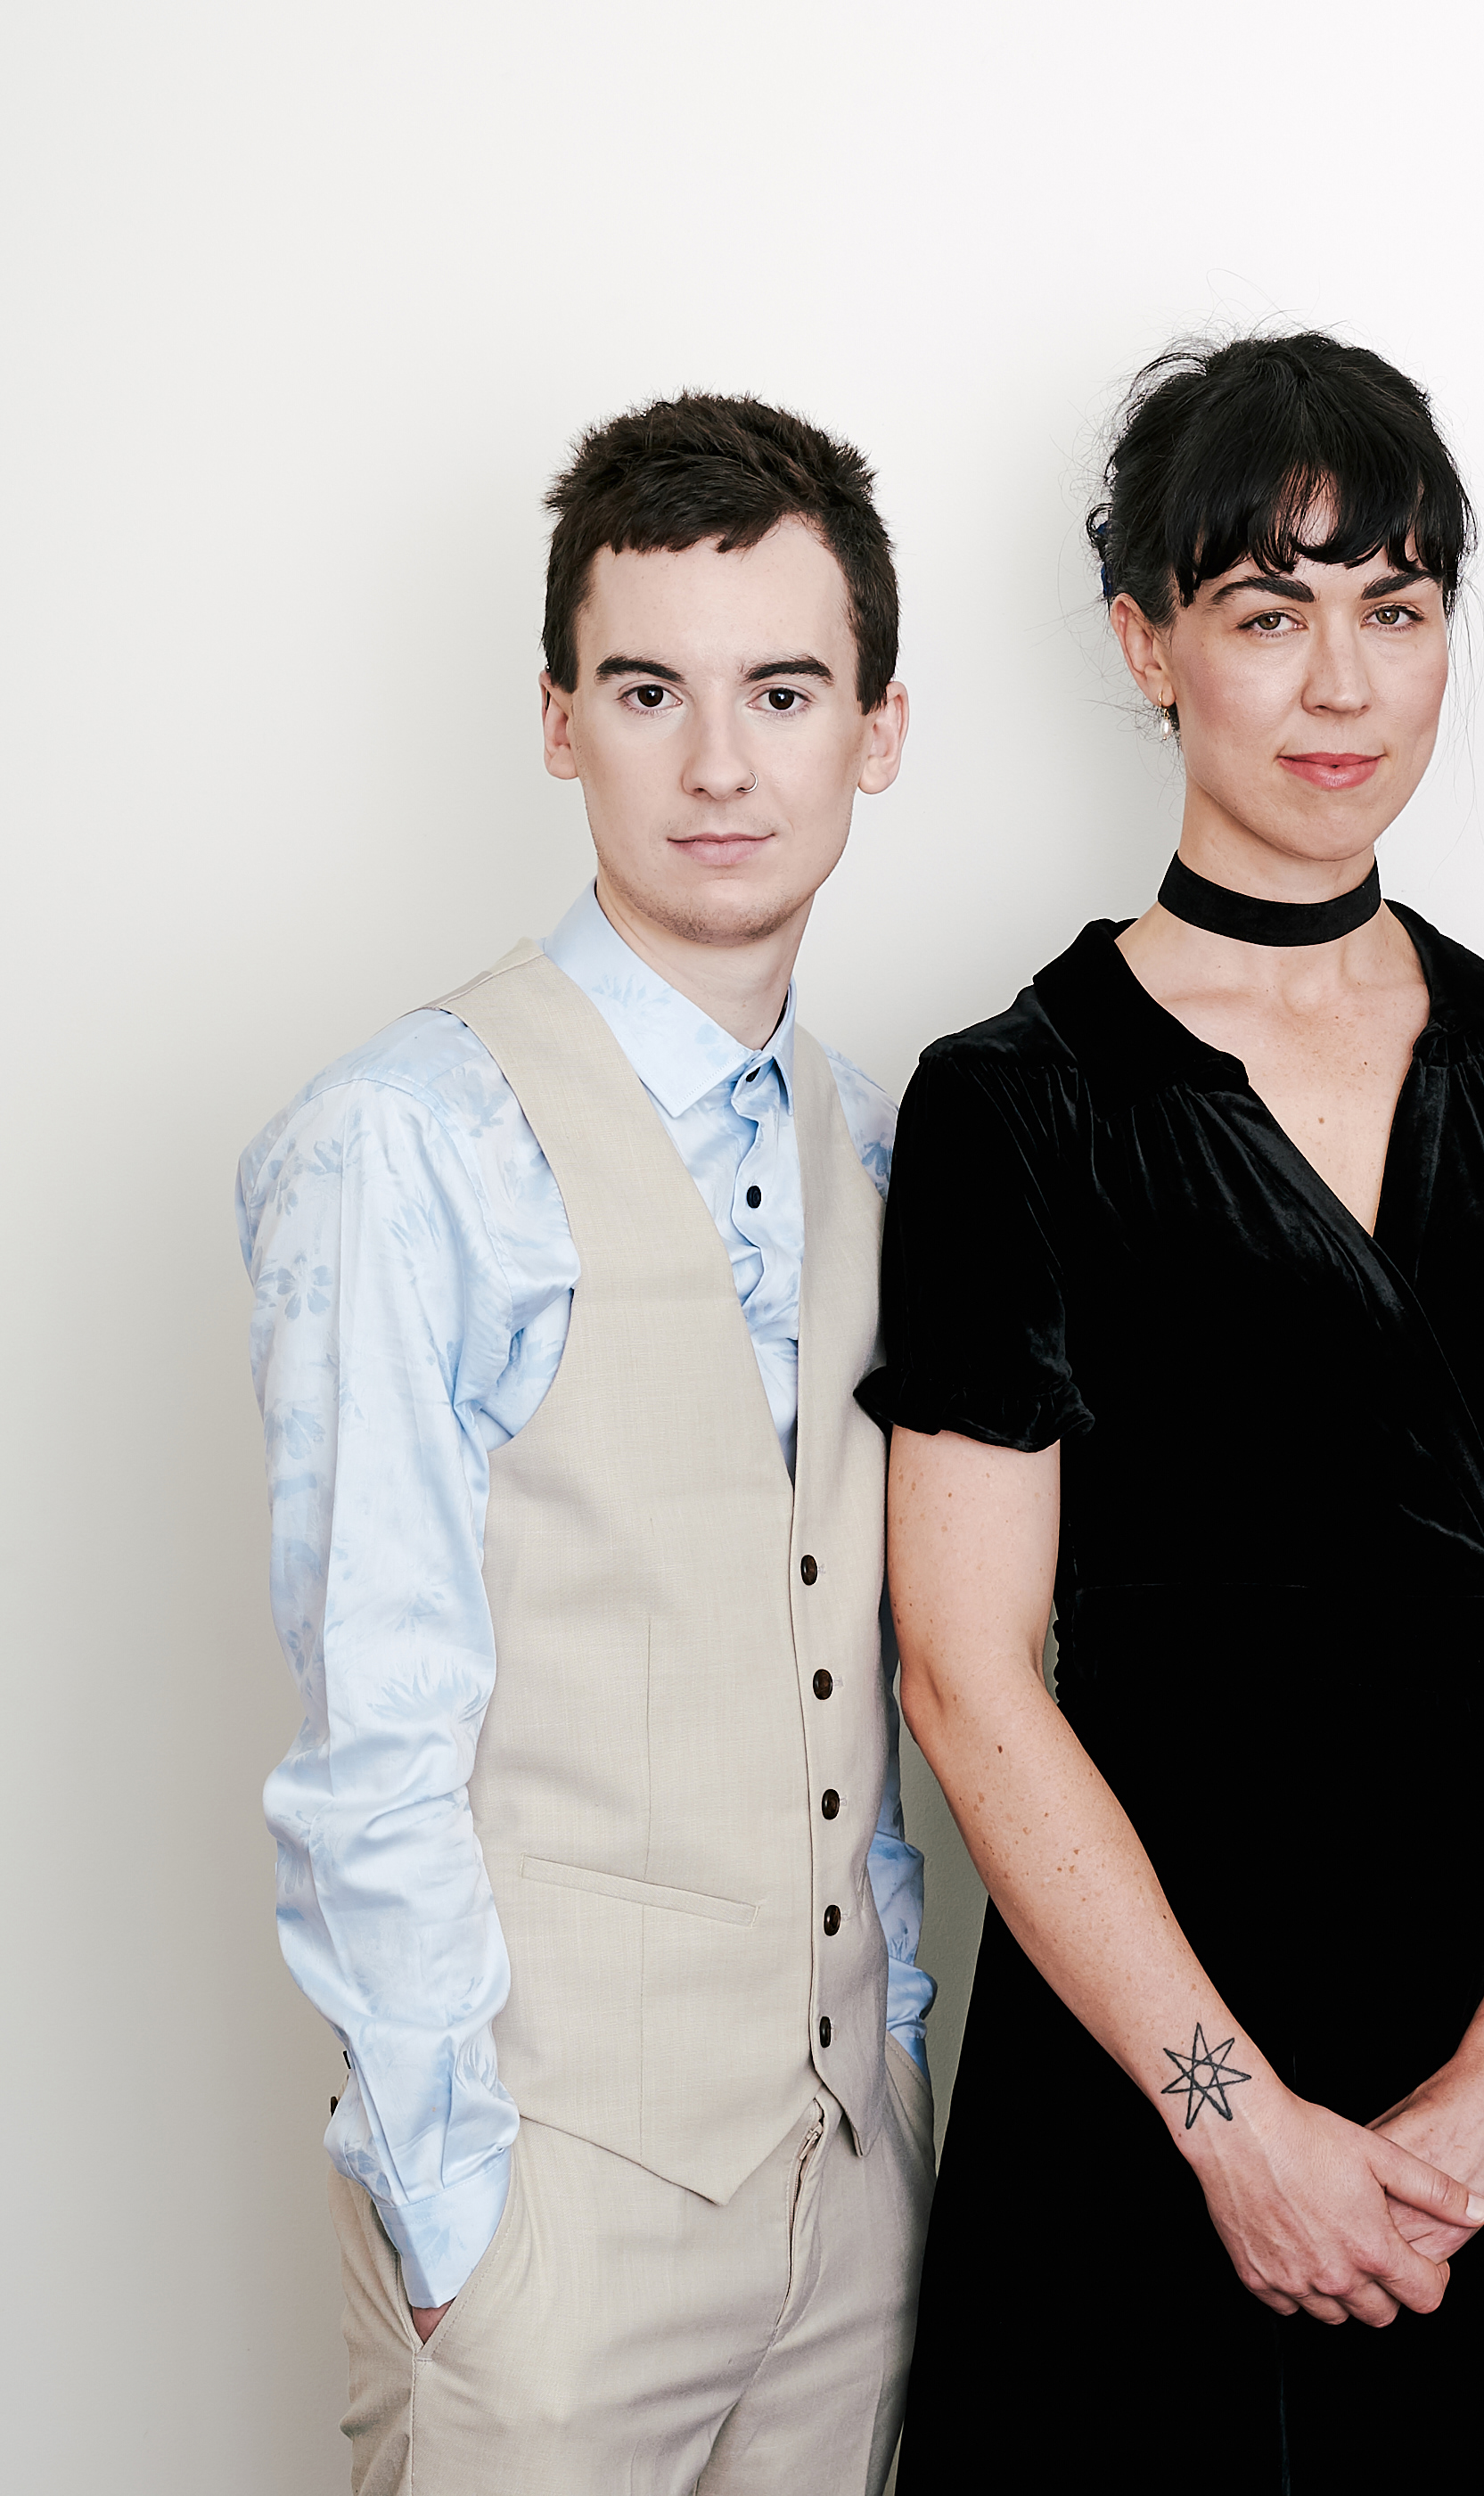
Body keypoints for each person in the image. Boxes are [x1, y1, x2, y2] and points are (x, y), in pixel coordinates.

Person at [866, 332, 1484, 2492]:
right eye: (1267, 610)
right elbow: (964, 1668)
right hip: (1146, 2036)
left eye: (1395, 608)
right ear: (1143, 642)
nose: (1342, 683)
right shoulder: (1011, 1101)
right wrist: (1230, 2120)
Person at [239, 395, 936, 2490]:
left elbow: (847, 1678)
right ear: (561, 721)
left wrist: (893, 2065)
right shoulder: (406, 1138)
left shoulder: (881, 1140)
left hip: (848, 2198)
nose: (719, 763)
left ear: (877, 731)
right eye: (648, 690)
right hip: (546, 2222)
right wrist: (457, 2214)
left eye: (781, 691)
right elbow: (374, 1724)